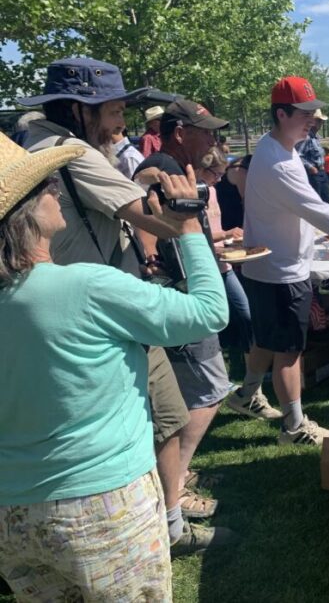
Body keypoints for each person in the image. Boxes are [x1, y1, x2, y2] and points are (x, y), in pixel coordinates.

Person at [0, 135, 227, 600]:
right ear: (21, 211)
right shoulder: (86, 285)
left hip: (13, 513)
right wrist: (187, 228)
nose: (56, 191)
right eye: (45, 185)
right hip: (104, 506)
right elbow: (207, 312)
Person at [19, 57, 219, 553]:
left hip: (52, 309)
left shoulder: (32, 144)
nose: (121, 121)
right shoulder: (73, 153)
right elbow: (157, 220)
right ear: (77, 110)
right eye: (111, 109)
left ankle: (155, 516)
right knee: (167, 417)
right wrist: (183, 203)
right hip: (101, 310)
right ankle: (164, 528)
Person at [229, 76, 329, 442]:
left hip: (266, 266)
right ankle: (294, 426)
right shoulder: (279, 162)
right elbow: (317, 209)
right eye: (304, 114)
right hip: (282, 271)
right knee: (290, 349)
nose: (312, 120)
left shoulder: (276, 148)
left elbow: (298, 211)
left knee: (267, 340)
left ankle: (246, 394)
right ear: (282, 113)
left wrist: (315, 235)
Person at [132, 100, 241, 521]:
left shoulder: (177, 167)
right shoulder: (160, 168)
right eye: (206, 131)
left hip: (187, 289)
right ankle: (173, 486)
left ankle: (176, 475)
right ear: (180, 132)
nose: (213, 139)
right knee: (211, 390)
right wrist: (149, 260)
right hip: (182, 295)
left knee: (189, 391)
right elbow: (140, 215)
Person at [295, 108, 329, 203]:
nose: (321, 123)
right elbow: (298, 155)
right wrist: (311, 167)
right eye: (319, 121)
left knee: (327, 201)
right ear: (313, 121)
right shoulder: (306, 137)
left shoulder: (316, 137)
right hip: (313, 174)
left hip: (322, 172)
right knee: (317, 202)